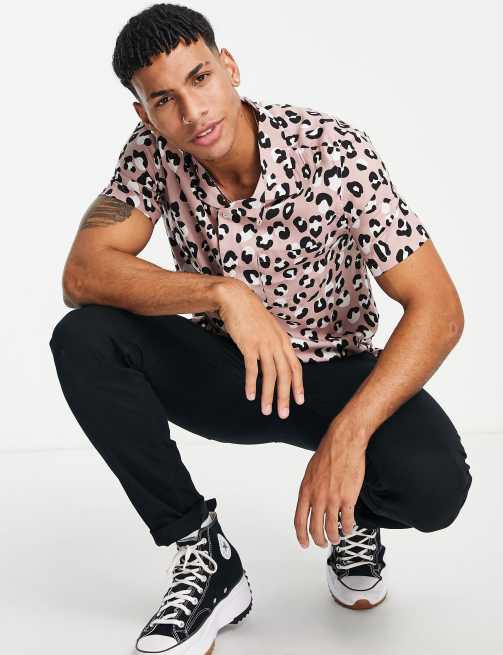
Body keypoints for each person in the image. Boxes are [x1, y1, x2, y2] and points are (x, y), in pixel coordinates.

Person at [49, 3, 472, 653]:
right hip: (228, 375)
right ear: (144, 114)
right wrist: (222, 293)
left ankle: (354, 515)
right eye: (164, 100)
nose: (192, 113)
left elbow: (439, 309)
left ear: (229, 67)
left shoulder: (332, 150)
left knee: (436, 487)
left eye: (199, 79)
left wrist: (350, 436)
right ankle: (202, 552)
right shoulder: (151, 153)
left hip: (335, 376)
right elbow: (83, 273)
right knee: (84, 337)